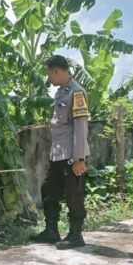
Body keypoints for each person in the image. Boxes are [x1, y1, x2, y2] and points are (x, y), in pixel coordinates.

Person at [31, 55, 90, 250]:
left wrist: (79, 158)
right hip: (57, 154)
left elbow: (80, 128)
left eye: (49, 74)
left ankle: (75, 235)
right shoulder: (60, 93)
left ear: (56, 71)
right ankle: (51, 230)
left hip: (72, 155)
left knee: (74, 194)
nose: (49, 78)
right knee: (49, 190)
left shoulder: (77, 93)